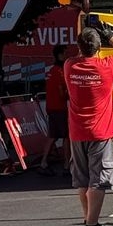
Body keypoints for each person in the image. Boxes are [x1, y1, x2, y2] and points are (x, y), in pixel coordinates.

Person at [64, 22, 113, 226]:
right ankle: (92, 224)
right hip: (101, 131)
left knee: (83, 179)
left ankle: (87, 217)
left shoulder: (70, 65)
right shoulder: (107, 66)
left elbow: (81, 54)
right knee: (99, 180)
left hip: (77, 132)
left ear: (79, 47)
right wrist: (112, 39)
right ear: (98, 48)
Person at [41, 44, 70, 175]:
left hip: (51, 107)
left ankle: (43, 162)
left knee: (52, 136)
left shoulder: (51, 71)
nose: (66, 56)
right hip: (59, 108)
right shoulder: (59, 72)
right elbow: (61, 94)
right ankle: (66, 164)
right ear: (59, 55)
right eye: (65, 54)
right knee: (66, 136)